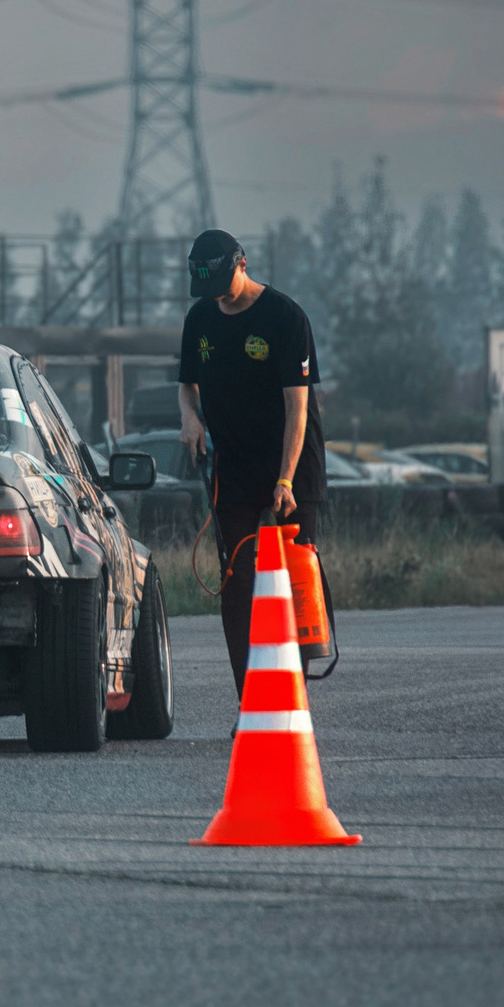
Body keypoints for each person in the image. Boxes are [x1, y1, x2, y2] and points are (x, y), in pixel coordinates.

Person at [177, 229, 327, 695]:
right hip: (234, 468)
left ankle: (293, 693)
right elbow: (186, 384)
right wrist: (190, 419)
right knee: (238, 580)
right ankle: (252, 698)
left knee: (292, 575)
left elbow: (297, 409)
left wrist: (285, 480)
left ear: (242, 263)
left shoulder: (285, 318)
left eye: (222, 284)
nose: (217, 297)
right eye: (207, 290)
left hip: (291, 464)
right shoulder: (200, 318)